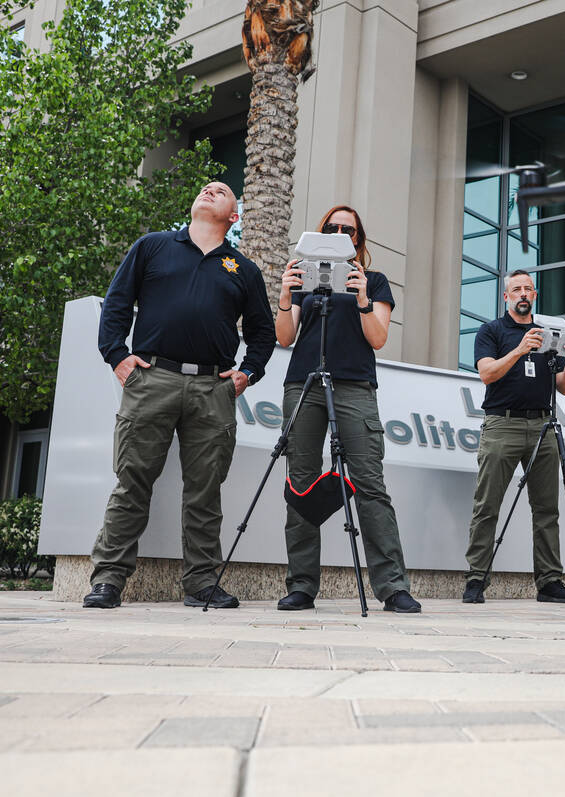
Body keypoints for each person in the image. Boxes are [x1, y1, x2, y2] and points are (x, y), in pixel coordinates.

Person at [84, 181, 274, 609]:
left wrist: (246, 374)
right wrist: (117, 355)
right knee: (132, 480)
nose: (210, 189)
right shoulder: (152, 246)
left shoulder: (244, 270)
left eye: (221, 191)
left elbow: (262, 334)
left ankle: (202, 583)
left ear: (234, 216)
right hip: (153, 380)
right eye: (206, 188)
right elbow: (117, 303)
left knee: (205, 490)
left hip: (213, 389)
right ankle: (108, 580)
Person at [273, 205, 421, 614]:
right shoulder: (303, 277)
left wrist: (360, 298)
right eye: (332, 228)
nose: (340, 233)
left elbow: (377, 338)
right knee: (300, 483)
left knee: (370, 484)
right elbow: (284, 337)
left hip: (354, 386)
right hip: (304, 383)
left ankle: (392, 586)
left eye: (348, 230)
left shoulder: (373, 281)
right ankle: (302, 585)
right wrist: (286, 296)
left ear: (358, 239)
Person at [462, 269, 565, 604]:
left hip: (543, 426)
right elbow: (486, 374)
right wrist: (518, 349)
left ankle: (549, 582)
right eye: (516, 289)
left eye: (528, 289)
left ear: (535, 294)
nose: (523, 294)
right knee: (487, 504)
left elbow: (564, 386)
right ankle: (476, 579)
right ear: (506, 297)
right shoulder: (492, 331)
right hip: (502, 424)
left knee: (547, 509)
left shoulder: (548, 332)